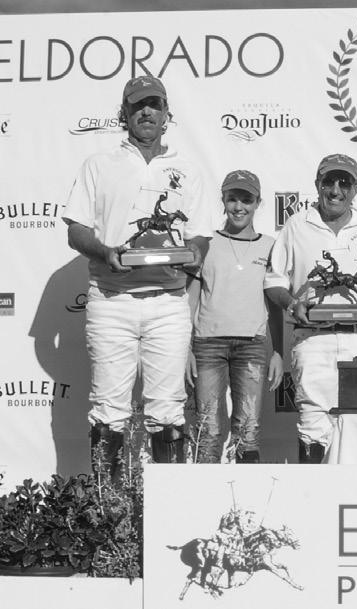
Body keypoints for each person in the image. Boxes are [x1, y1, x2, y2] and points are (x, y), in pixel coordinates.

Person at [63, 75, 211, 475]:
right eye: (138, 105)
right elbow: (76, 231)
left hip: (168, 302)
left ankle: (169, 504)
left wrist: (194, 253)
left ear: (166, 115)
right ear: (124, 113)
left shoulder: (187, 170)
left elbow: (199, 234)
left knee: (168, 411)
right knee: (108, 411)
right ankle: (108, 507)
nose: (147, 112)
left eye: (154, 105)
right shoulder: (98, 165)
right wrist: (105, 251)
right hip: (111, 300)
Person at [264, 154, 357, 463]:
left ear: (356, 188)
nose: (336, 190)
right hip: (313, 339)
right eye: (329, 181)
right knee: (313, 426)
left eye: (344, 182)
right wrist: (292, 303)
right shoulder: (297, 225)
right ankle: (313, 493)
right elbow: (273, 282)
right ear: (317, 184)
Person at [185, 170, 283, 464]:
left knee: (248, 430)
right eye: (232, 199)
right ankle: (206, 492)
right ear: (223, 201)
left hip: (252, 346)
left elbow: (274, 303)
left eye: (246, 200)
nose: (239, 207)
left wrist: (278, 351)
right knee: (208, 431)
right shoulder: (206, 243)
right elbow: (191, 298)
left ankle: (246, 492)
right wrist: (185, 348)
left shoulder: (271, 246)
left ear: (258, 203)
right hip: (207, 345)